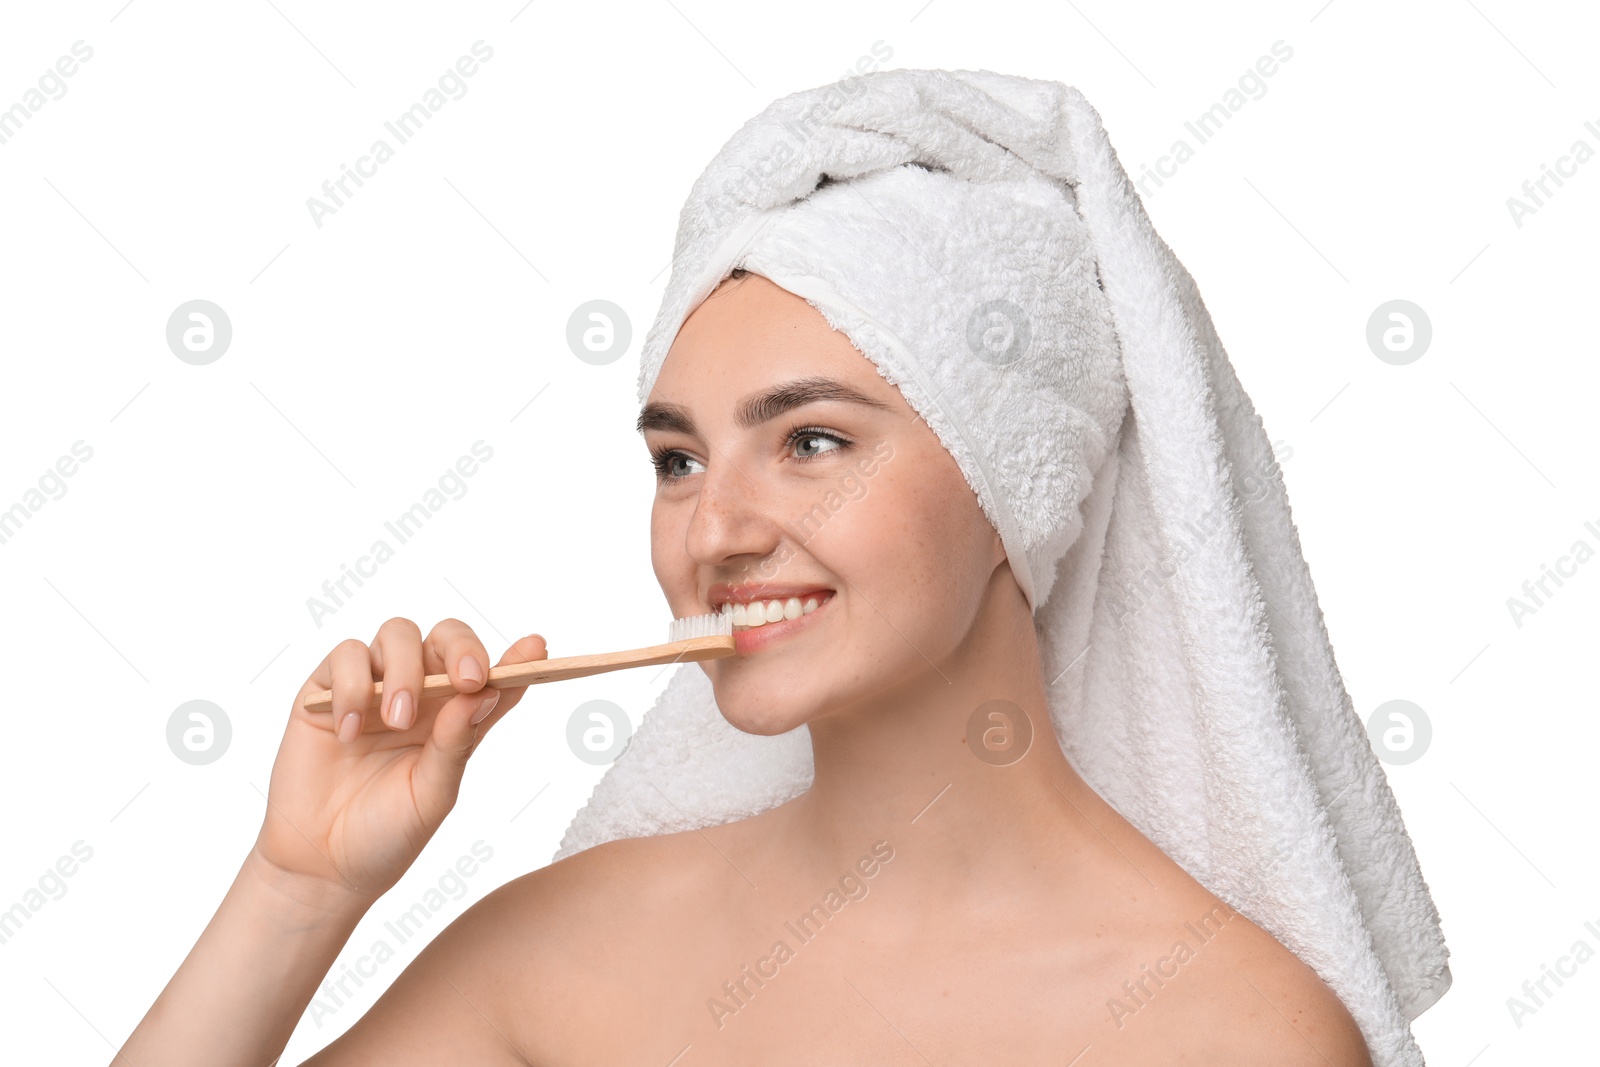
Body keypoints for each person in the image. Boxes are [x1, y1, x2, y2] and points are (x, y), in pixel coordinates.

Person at [118, 265, 1374, 1066]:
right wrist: (295, 886)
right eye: (677, 460)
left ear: (1016, 492)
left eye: (811, 440)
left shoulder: (1225, 1030)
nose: (712, 530)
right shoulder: (564, 949)